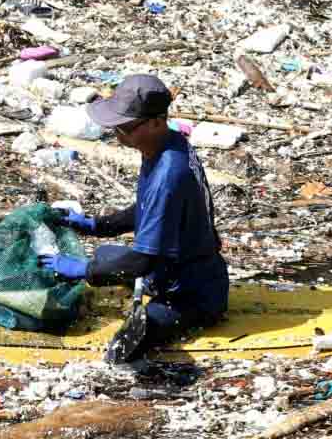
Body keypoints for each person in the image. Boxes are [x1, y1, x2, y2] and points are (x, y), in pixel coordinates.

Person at [37, 74, 229, 362]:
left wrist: (83, 269)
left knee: (122, 348)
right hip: (174, 270)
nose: (118, 135)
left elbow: (142, 261)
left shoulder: (169, 174)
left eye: (125, 128)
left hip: (191, 293)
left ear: (156, 121)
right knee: (104, 256)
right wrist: (97, 225)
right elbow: (147, 207)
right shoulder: (167, 143)